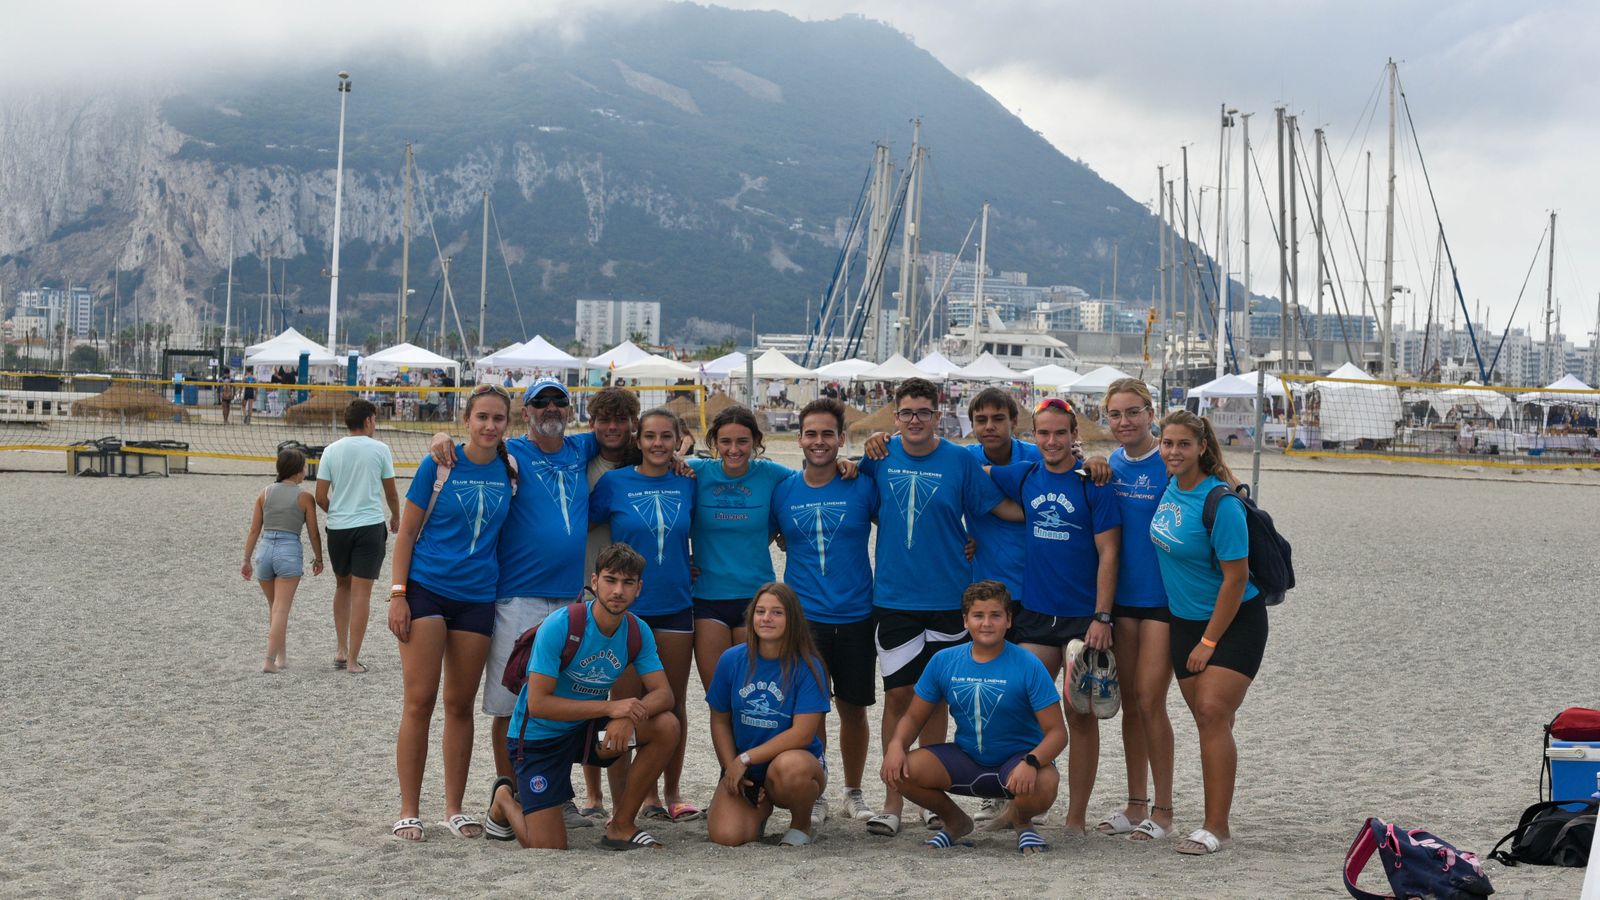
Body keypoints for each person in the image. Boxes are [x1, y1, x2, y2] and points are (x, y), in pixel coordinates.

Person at [428, 376, 606, 830]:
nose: (550, 409)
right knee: (511, 702)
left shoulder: (580, 450)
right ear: (525, 413)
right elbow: (470, 444)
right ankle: (510, 789)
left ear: (570, 410)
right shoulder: (510, 453)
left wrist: (687, 463)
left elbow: (625, 436)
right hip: (517, 595)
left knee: (563, 698)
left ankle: (553, 793)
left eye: (558, 402)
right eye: (540, 403)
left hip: (568, 596)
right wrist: (441, 437)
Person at [856, 377, 1017, 836]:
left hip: (949, 599)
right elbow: (844, 488)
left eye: (924, 412)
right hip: (894, 599)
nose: (915, 420)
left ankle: (929, 793)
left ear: (938, 414)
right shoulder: (879, 456)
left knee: (936, 699)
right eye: (906, 412)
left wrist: (1061, 510)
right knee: (898, 697)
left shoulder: (960, 460)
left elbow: (996, 509)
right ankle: (893, 801)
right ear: (894, 416)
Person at [483, 543, 680, 851]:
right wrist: (612, 707)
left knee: (666, 725)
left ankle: (621, 825)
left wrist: (627, 716)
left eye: (628, 583)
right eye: (610, 580)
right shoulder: (561, 625)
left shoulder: (637, 630)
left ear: (639, 588)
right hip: (538, 738)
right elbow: (539, 704)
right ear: (594, 580)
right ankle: (504, 799)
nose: (618, 591)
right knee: (547, 847)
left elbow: (664, 694)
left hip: (585, 732)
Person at [387, 384, 517, 843]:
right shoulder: (439, 463)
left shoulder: (510, 466)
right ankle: (408, 809)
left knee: (460, 705)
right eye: (481, 417)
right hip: (427, 590)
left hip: (478, 596)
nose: (489, 425)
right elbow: (405, 533)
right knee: (419, 700)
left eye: (498, 418)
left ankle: (454, 809)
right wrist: (398, 593)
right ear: (467, 420)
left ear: (508, 424)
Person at [987, 397, 1120, 834]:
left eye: (1060, 433)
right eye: (1043, 433)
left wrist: (1102, 616)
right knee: (1020, 703)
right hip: (1038, 614)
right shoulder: (1025, 474)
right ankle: (1018, 808)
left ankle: (1076, 816)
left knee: (1079, 713)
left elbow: (1109, 552)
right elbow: (973, 474)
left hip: (1083, 616)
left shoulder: (1092, 484)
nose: (1051, 441)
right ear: (1033, 435)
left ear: (1073, 436)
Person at [1150, 410, 1268, 856]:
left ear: (1202, 447)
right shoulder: (1169, 487)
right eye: (1167, 443)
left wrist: (1209, 642)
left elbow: (1236, 580)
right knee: (1208, 719)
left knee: (1213, 712)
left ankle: (1216, 826)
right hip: (1184, 620)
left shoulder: (1222, 503)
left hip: (1233, 621)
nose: (1174, 451)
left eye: (1183, 444)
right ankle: (1210, 813)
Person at [880, 581, 1067, 855]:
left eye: (995, 616)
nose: (987, 623)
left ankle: (1022, 822)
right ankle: (955, 821)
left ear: (1009, 620)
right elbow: (912, 717)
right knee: (899, 770)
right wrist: (896, 746)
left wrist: (1031, 761)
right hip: (967, 759)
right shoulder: (944, 660)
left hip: (1015, 762)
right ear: (965, 620)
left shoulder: (1028, 664)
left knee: (1046, 781)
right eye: (978, 616)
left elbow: (1058, 733)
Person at [770, 397, 880, 822]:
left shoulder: (861, 484)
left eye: (827, 434)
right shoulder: (784, 490)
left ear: (841, 439)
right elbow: (754, 535)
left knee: (854, 708)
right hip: (805, 619)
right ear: (799, 439)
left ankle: (852, 791)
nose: (819, 442)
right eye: (811, 434)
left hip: (856, 613)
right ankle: (816, 790)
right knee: (810, 710)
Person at [589, 407, 697, 822]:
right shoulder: (615, 483)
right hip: (625, 613)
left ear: (677, 440)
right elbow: (581, 527)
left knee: (672, 705)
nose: (657, 444)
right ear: (638, 438)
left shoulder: (689, 482)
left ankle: (668, 793)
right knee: (623, 704)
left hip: (674, 606)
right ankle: (632, 797)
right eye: (649, 436)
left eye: (666, 437)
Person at [686, 407, 793, 760]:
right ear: (713, 442)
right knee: (723, 700)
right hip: (709, 599)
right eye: (726, 441)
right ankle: (728, 773)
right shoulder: (696, 471)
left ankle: (757, 770)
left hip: (757, 601)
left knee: (758, 700)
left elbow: (814, 481)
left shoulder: (772, 475)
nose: (734, 449)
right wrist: (677, 560)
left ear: (757, 443)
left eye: (743, 441)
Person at [705, 584, 831, 847]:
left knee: (790, 768)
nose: (766, 618)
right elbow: (719, 719)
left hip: (793, 762)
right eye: (760, 611)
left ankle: (802, 824)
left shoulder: (808, 665)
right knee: (728, 836)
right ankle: (758, 809)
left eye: (777, 612)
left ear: (792, 619)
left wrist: (745, 758)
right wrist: (732, 768)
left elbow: (803, 733)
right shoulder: (731, 659)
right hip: (747, 766)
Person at [317, 399, 400, 675]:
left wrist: (337, 511)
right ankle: (353, 661)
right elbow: (390, 492)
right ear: (367, 421)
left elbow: (320, 496)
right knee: (362, 593)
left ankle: (340, 650)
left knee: (342, 586)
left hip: (338, 528)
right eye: (374, 420)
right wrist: (396, 516)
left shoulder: (330, 450)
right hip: (369, 525)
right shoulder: (380, 449)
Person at [240, 447, 325, 673]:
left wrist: (246, 559)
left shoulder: (264, 493)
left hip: (265, 550)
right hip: (288, 551)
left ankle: (281, 657)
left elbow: (254, 530)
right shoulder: (305, 497)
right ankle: (269, 660)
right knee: (281, 609)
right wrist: (319, 558)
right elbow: (314, 533)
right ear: (298, 471)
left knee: (274, 607)